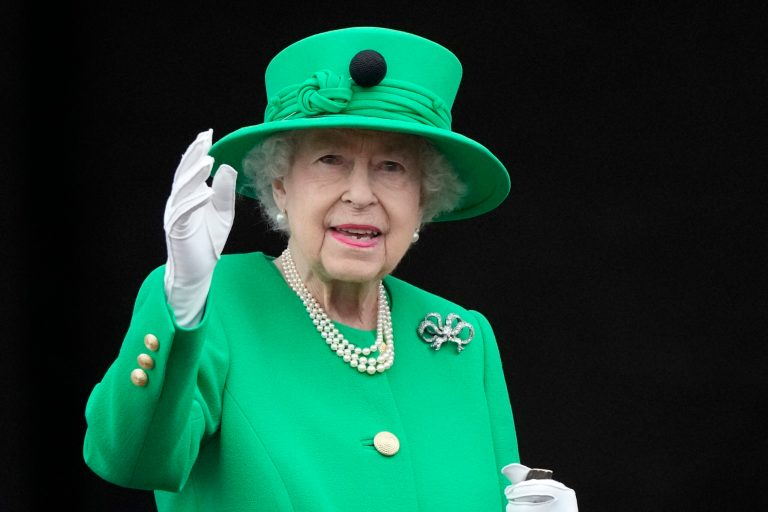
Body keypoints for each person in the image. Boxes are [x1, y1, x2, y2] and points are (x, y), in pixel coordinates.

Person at [82, 26, 578, 511]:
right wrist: (185, 305)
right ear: (280, 187)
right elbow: (130, 459)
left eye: (392, 167)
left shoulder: (464, 340)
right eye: (330, 159)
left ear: (424, 200)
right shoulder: (213, 305)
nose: (361, 195)